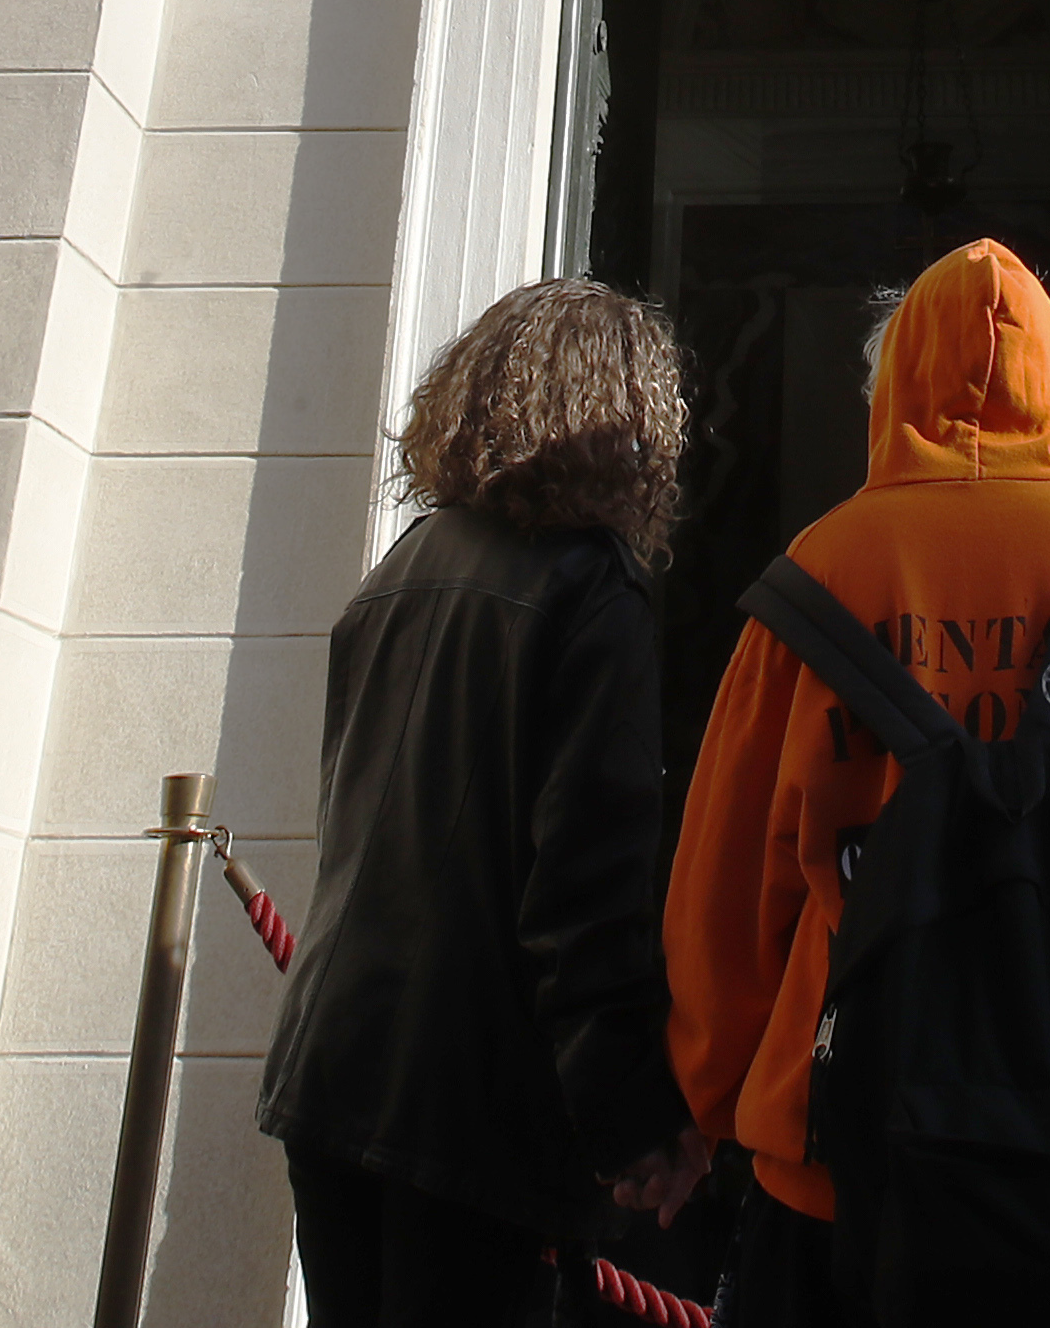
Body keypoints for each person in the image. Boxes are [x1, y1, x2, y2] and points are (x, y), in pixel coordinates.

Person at [664, 239, 1050, 1327]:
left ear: (890, 391)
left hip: (839, 1148)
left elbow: (727, 888)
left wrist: (711, 1098)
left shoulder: (819, 569)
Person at [263, 278, 715, 1328]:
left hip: (332, 1066)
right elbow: (581, 896)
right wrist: (636, 1123)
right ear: (624, 419)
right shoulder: (591, 592)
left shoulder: (400, 570)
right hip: (468, 1104)